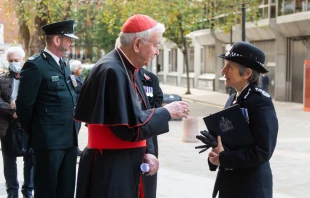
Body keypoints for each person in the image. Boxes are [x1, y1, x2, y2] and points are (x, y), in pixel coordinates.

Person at [74, 14, 190, 198]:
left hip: (123, 162)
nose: (157, 51)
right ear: (137, 44)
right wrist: (167, 112)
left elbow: (139, 113)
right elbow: (129, 128)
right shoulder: (112, 70)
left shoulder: (127, 68)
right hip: (111, 166)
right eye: (155, 45)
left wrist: (147, 151)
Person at [206, 41, 278, 198]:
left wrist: (223, 158)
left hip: (250, 187)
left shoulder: (260, 102)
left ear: (247, 73)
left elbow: (263, 151)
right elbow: (233, 140)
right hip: (230, 185)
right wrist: (215, 145)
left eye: (229, 67)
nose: (223, 70)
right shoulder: (232, 99)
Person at [16, 20, 78, 198]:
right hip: (49, 142)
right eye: (68, 39)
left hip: (69, 139)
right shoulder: (35, 65)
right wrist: (37, 132)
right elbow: (24, 106)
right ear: (57, 40)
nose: (71, 43)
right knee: (47, 191)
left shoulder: (64, 64)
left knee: (66, 191)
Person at [0, 46, 34, 198]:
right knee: (9, 159)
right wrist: (11, 109)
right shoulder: (2, 78)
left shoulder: (30, 77)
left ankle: (28, 190)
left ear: (23, 59)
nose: (13, 63)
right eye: (10, 60)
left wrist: (21, 110)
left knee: (30, 158)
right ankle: (12, 192)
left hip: (27, 123)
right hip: (7, 125)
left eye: (16, 60)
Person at [137, 67, 163, 198]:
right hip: (135, 133)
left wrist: (150, 114)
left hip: (150, 133)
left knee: (149, 179)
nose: (156, 52)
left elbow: (158, 98)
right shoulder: (123, 74)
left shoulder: (150, 78)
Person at [69, 60, 84, 156]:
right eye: (79, 68)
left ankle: (75, 147)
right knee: (74, 129)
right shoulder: (73, 78)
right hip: (75, 107)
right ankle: (74, 148)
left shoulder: (79, 78)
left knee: (77, 128)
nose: (81, 70)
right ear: (75, 70)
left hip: (79, 106)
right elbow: (77, 89)